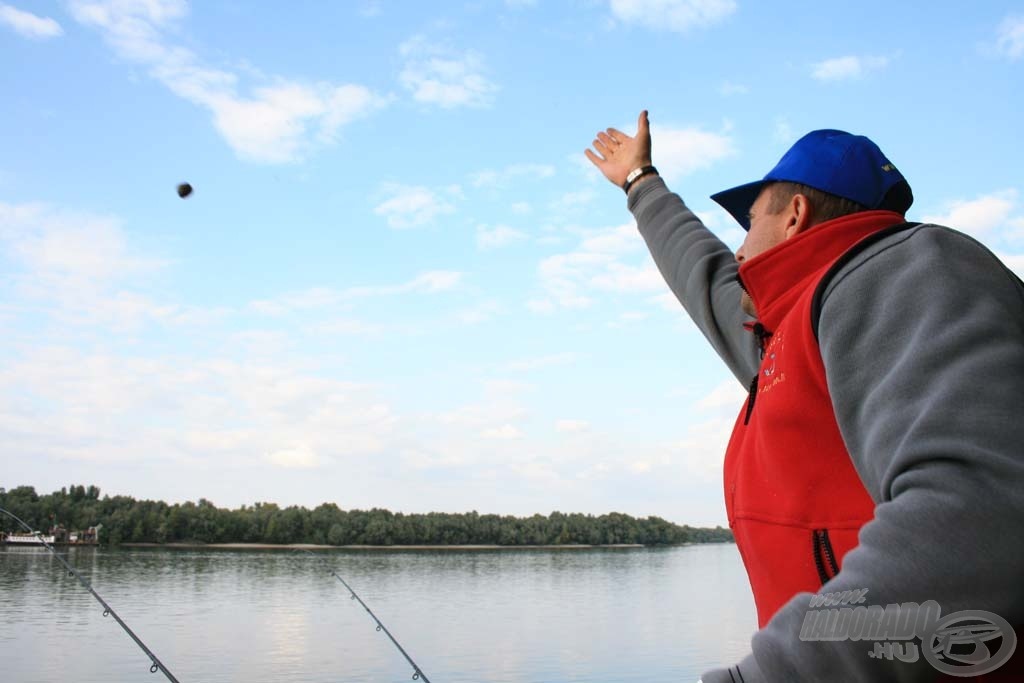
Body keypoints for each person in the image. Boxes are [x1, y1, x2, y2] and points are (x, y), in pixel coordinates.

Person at [586, 111, 1024, 682]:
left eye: (748, 223)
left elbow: (981, 519)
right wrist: (641, 182)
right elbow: (706, 275)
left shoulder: (910, 269)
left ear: (794, 216)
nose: (739, 250)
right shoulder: (791, 337)